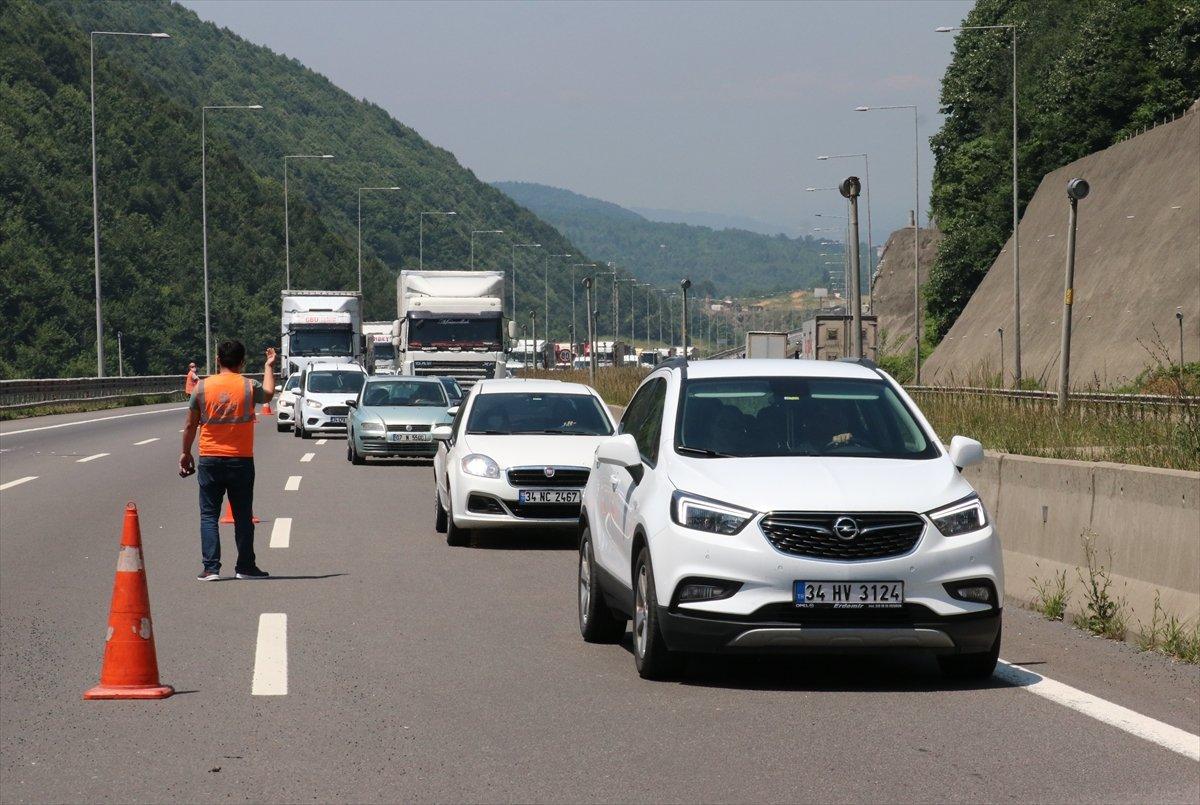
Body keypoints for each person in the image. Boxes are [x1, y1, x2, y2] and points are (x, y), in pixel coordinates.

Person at [180, 340, 276, 581]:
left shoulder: (201, 387)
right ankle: (245, 566)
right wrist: (268, 366)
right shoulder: (248, 386)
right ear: (242, 362)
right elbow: (269, 394)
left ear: (217, 360)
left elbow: (190, 424)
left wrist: (185, 453)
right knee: (243, 515)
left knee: (209, 515)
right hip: (240, 459)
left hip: (210, 458)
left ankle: (211, 568)